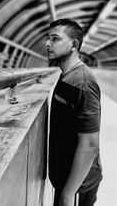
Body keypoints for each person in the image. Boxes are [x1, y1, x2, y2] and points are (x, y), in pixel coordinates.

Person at [46, 18, 102, 206]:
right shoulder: (68, 77)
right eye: (48, 38)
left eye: (55, 39)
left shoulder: (82, 83)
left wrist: (68, 195)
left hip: (78, 186)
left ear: (74, 45)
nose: (48, 43)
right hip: (68, 183)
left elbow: (90, 144)